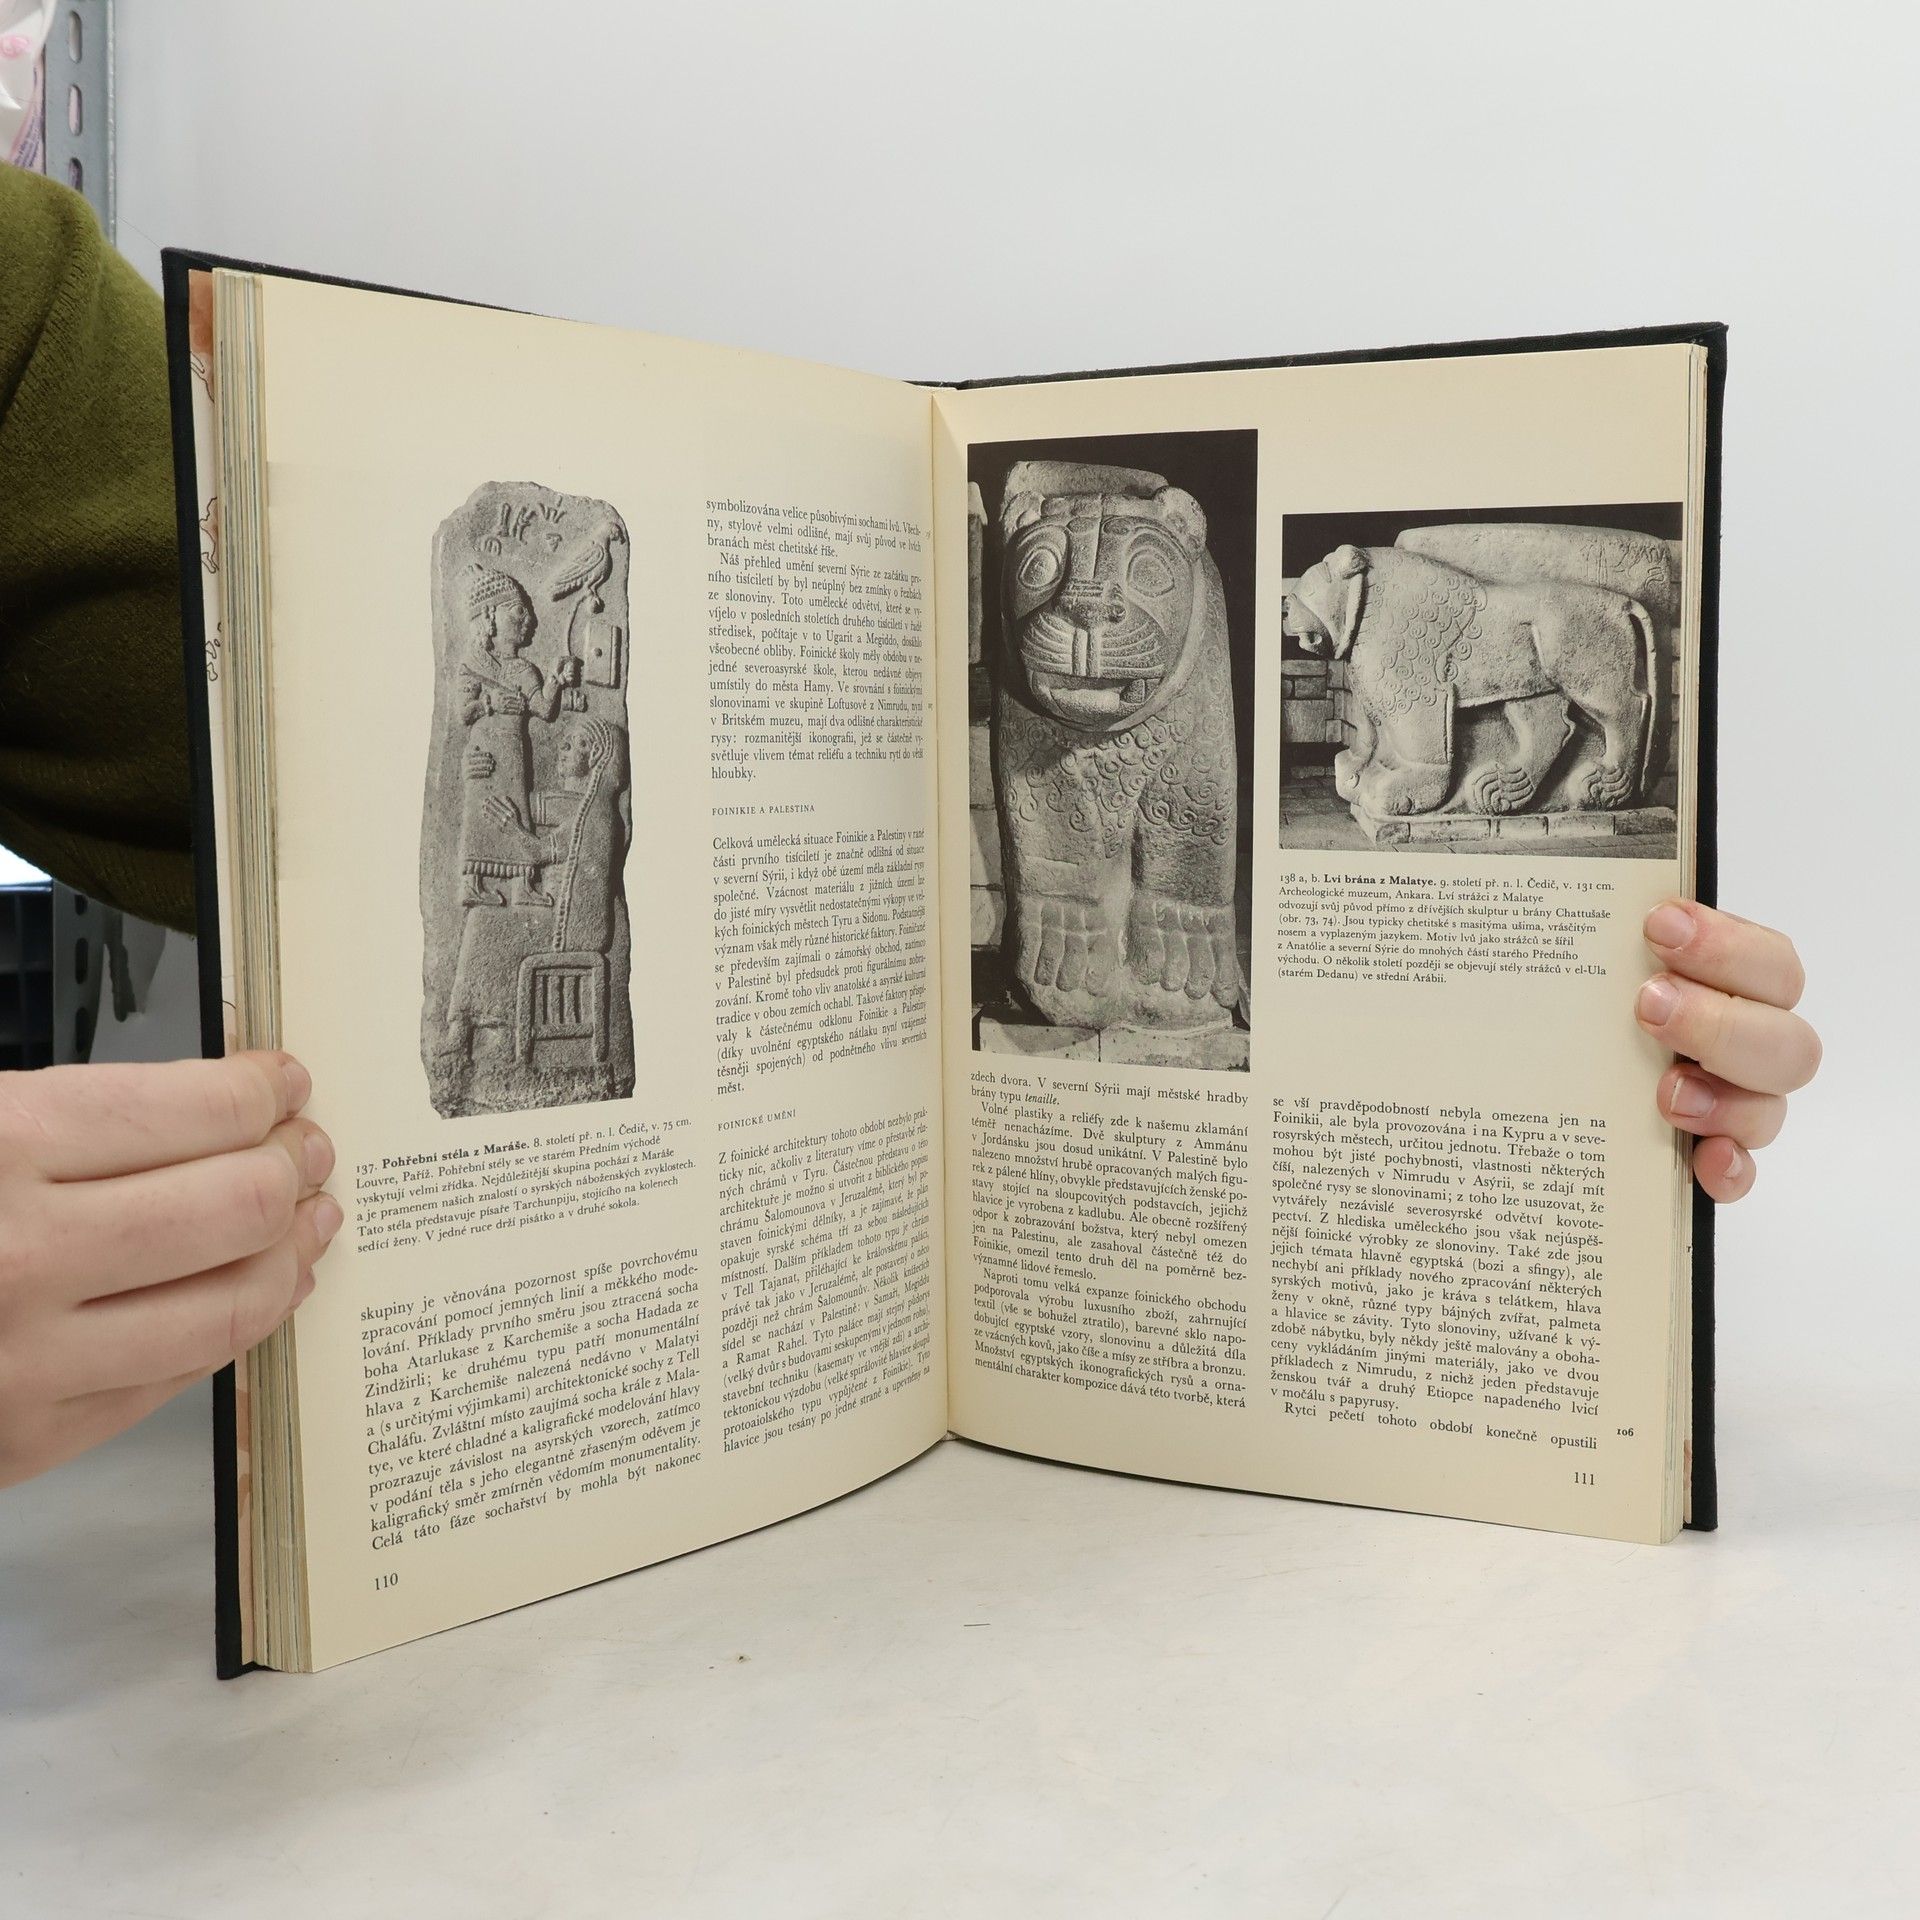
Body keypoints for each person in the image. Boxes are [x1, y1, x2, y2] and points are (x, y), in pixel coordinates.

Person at [0, 166, 1822, 1490]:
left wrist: (1556, 1025)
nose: (1085, 617)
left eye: (1125, 580)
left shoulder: (29, 345)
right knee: (1054, 839)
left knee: (1174, 845)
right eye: (1055, 582)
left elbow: (264, 729)